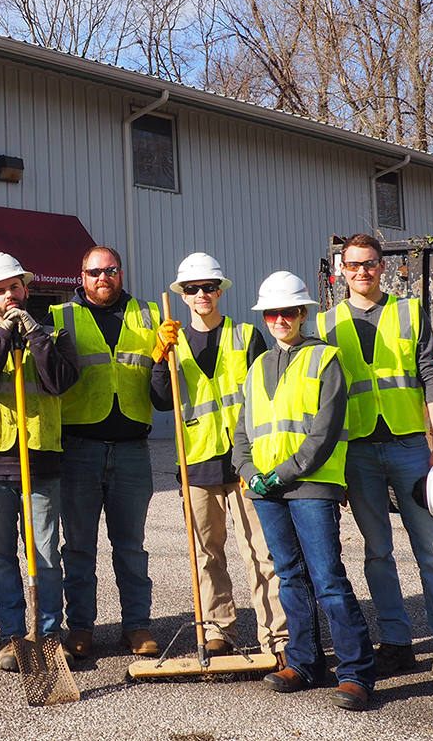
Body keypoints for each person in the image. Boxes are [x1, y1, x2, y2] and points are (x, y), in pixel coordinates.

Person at [318, 233, 433, 693]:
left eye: (369, 264)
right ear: (341, 271)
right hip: (358, 453)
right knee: (377, 553)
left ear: (382, 267)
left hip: (411, 448)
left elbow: (432, 375)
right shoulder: (325, 323)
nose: (361, 272)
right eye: (353, 265)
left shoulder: (409, 312)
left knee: (432, 553)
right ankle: (395, 642)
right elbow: (323, 400)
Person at [232, 271, 375, 711]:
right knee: (289, 576)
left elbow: (325, 430)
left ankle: (355, 673)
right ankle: (304, 661)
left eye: (288, 311)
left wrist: (285, 473)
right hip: (267, 489)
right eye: (272, 313)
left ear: (302, 313)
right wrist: (249, 470)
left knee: (328, 580)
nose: (280, 319)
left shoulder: (325, 359)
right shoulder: (257, 367)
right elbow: (242, 430)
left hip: (311, 485)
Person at [150, 253, 288, 661]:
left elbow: (268, 398)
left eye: (208, 287)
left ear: (220, 290)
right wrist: (160, 358)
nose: (201, 294)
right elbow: (160, 401)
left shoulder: (246, 336)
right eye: (192, 289)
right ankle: (217, 629)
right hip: (197, 463)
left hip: (246, 461)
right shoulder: (172, 342)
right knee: (208, 554)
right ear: (183, 295)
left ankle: (277, 637)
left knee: (261, 553)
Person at [0, 253, 80, 672]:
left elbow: (59, 381)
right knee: (1, 554)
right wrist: (4, 338)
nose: (8, 295)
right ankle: (12, 634)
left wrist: (36, 337)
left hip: (41, 458)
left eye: (14, 287)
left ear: (26, 289)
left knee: (44, 552)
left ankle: (46, 634)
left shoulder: (56, 335)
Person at [50, 245, 169, 658]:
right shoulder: (60, 317)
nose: (104, 277)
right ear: (80, 276)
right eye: (95, 271)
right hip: (78, 449)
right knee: (78, 547)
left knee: (131, 546)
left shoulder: (150, 316)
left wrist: (164, 357)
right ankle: (80, 627)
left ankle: (136, 626)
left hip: (132, 450)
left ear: (121, 273)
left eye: (111, 270)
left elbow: (164, 395)